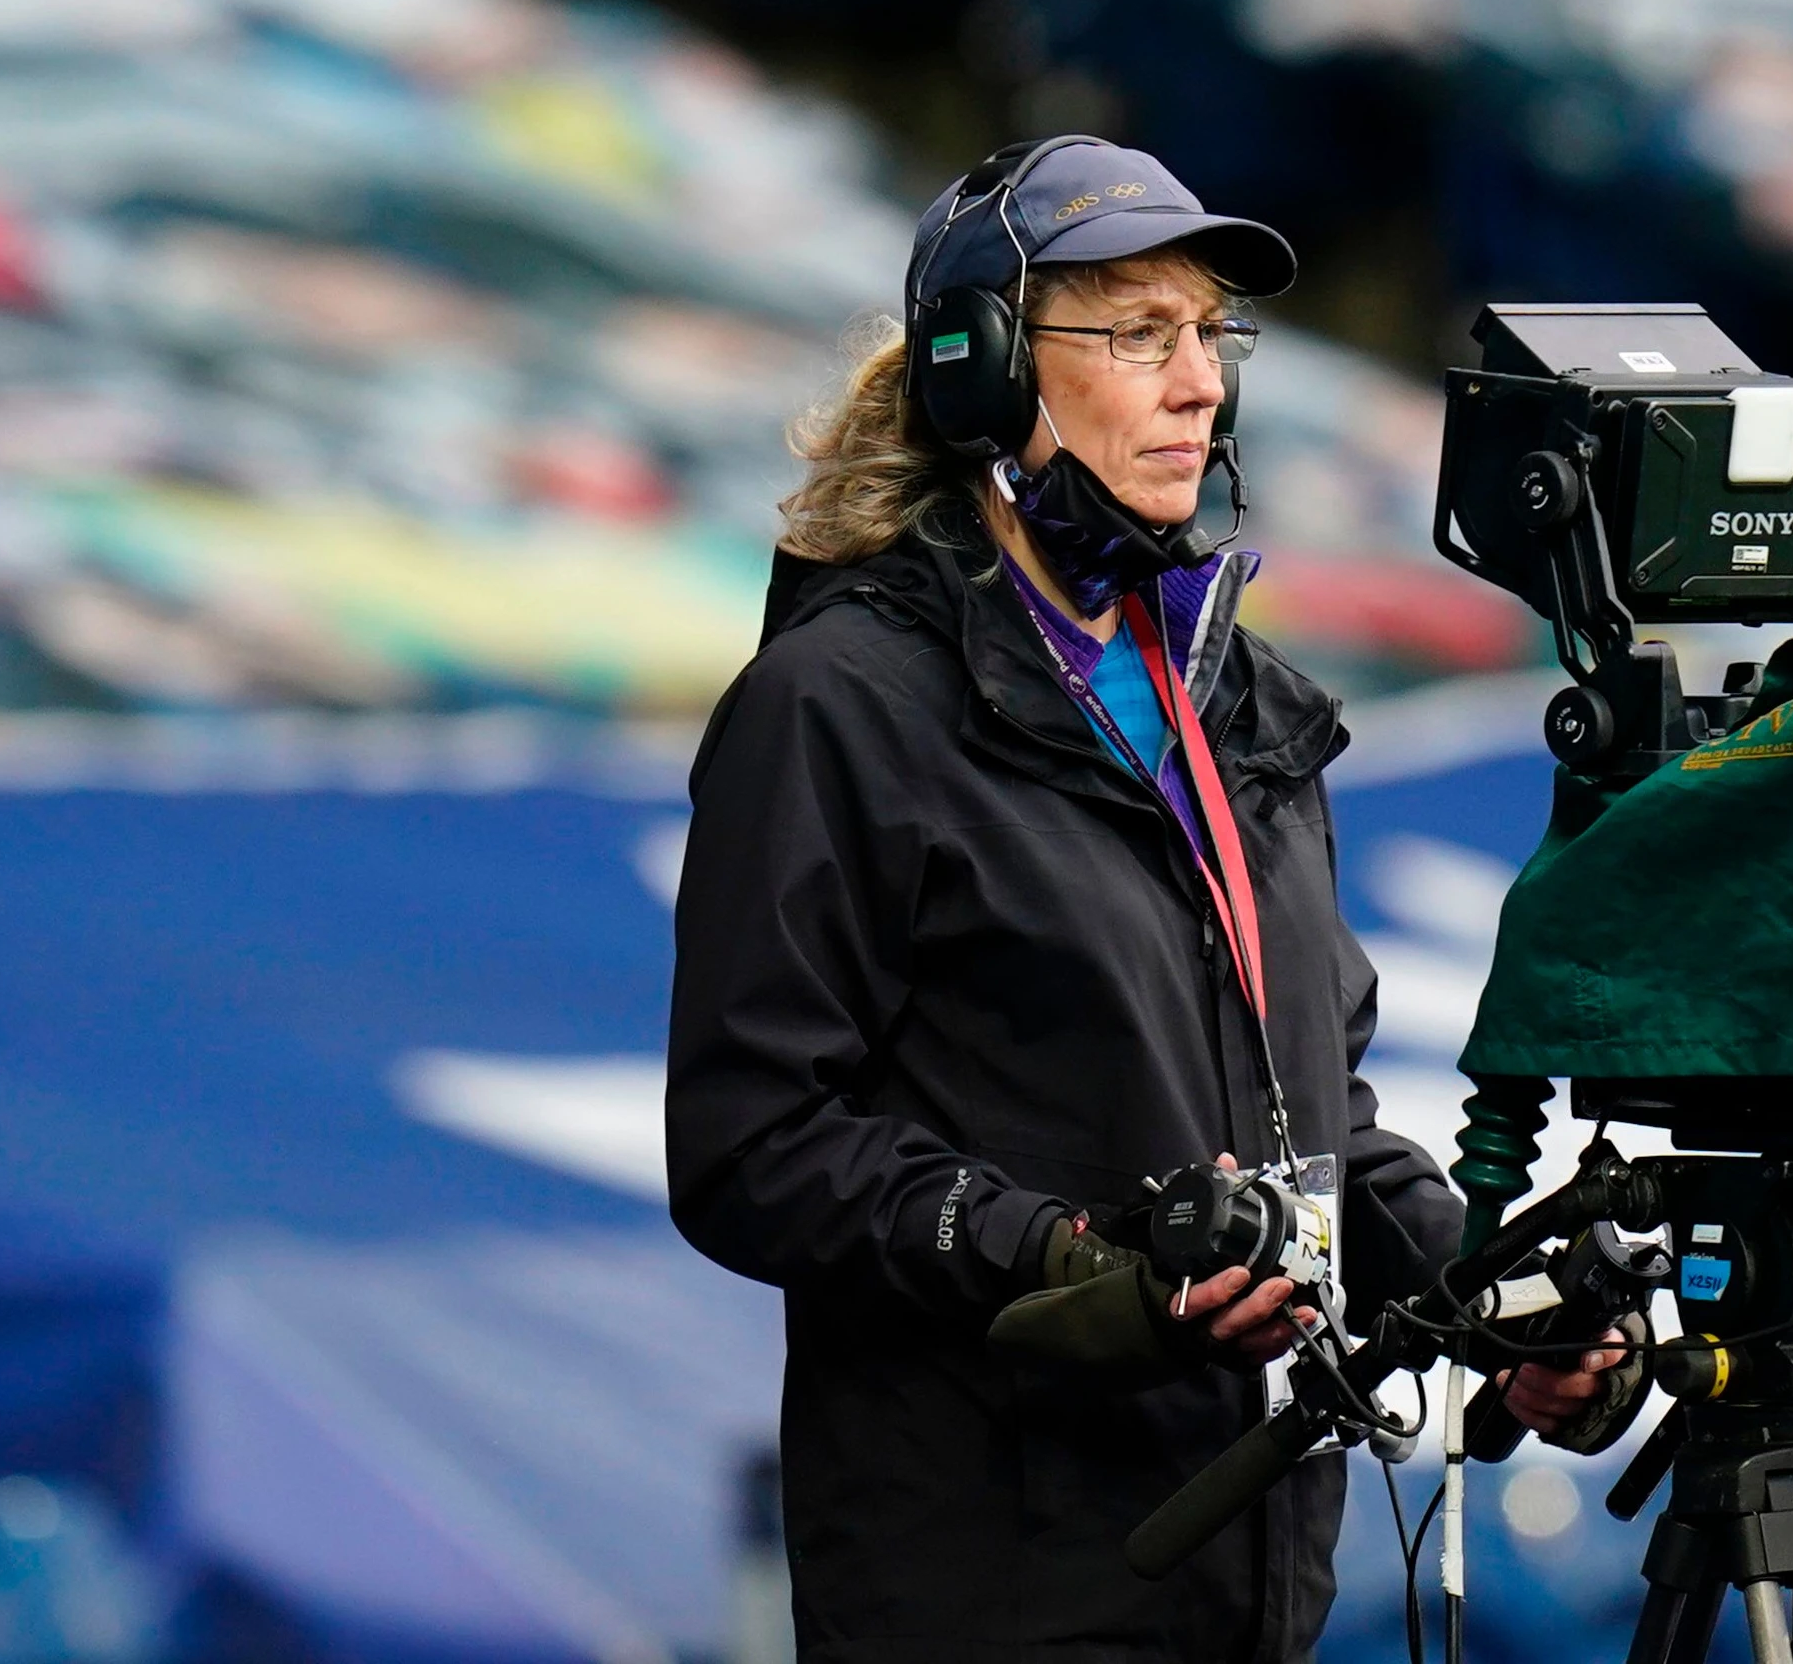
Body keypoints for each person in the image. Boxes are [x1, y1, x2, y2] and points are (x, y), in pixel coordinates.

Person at [669, 136, 1612, 1661]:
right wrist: (1060, 1256)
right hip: (993, 1584)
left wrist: (1484, 1305)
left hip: (1250, 1572)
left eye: (1206, 335)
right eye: (1133, 333)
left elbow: (1316, 1121)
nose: (1200, 385)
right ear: (978, 374)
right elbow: (750, 1143)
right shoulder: (836, 705)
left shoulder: (1241, 704)